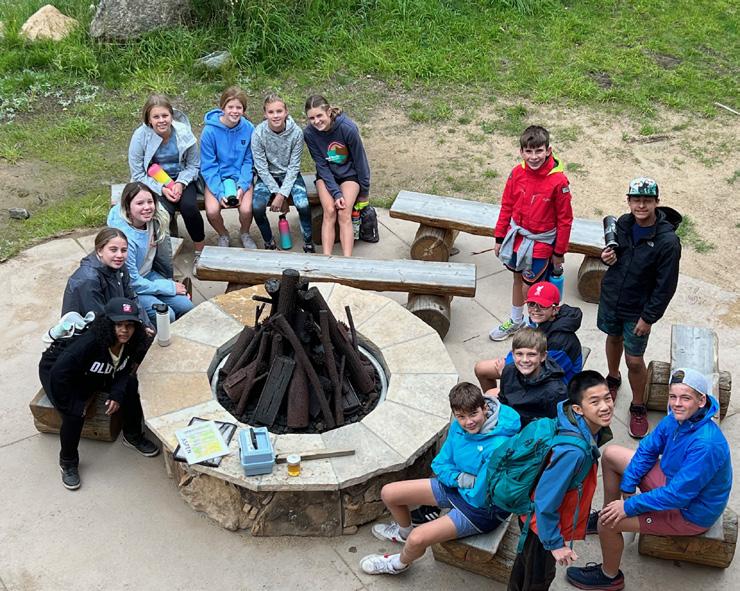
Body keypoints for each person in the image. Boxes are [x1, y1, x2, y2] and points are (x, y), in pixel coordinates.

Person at [566, 368, 731, 591]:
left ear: (701, 401)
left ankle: (609, 576)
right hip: (672, 482)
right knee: (612, 455)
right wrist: (628, 485)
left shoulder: (706, 444)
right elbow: (648, 449)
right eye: (673, 396)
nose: (677, 404)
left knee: (608, 523)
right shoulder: (677, 418)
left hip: (689, 511)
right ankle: (610, 511)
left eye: (685, 398)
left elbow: (677, 496)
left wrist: (629, 505)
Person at [359, 382, 519, 575]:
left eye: (473, 414)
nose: (468, 422)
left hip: (481, 510)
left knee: (418, 538)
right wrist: (461, 479)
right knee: (389, 493)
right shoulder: (457, 427)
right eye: (461, 416)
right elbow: (440, 463)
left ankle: (398, 564)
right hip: (456, 487)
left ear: (484, 408)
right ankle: (404, 534)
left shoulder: (499, 445)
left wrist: (458, 477)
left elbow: (479, 495)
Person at [39, 298, 160, 490]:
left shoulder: (131, 341)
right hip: (61, 374)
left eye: (130, 325)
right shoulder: (89, 344)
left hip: (95, 372)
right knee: (74, 414)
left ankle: (132, 435)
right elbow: (58, 375)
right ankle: (68, 462)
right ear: (108, 324)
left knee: (130, 385)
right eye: (118, 324)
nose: (124, 330)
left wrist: (116, 393)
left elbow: (124, 368)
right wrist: (72, 405)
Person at [508, 371, 614, 591]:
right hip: (540, 527)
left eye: (608, 398)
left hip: (536, 521)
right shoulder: (573, 453)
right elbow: (545, 500)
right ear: (578, 408)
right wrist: (554, 543)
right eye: (594, 402)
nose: (605, 406)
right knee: (537, 580)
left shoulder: (576, 423)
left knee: (525, 569)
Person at [597, 177, 681, 438]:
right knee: (613, 338)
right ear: (629, 201)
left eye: (647, 200)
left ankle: (638, 405)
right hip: (613, 299)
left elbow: (665, 286)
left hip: (638, 311)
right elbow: (615, 257)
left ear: (657, 202)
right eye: (636, 200)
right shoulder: (623, 224)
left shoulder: (668, 242)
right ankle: (612, 378)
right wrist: (607, 257)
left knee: (634, 360)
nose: (641, 205)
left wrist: (648, 318)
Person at [490, 125, 573, 342]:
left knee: (532, 288)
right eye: (528, 151)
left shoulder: (559, 182)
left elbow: (565, 220)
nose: (533, 157)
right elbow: (507, 206)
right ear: (521, 152)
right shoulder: (517, 173)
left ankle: (534, 328)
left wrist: (559, 252)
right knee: (517, 279)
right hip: (517, 239)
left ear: (548, 150)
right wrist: (500, 237)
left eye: (539, 151)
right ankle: (516, 320)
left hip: (540, 245)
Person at [128, 94, 205, 272]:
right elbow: (137, 173)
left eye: (165, 115)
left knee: (189, 208)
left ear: (171, 116)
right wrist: (162, 189)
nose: (161, 120)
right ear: (149, 119)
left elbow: (193, 164)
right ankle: (162, 257)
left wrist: (181, 183)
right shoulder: (140, 136)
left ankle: (200, 251)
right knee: (162, 213)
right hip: (154, 182)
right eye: (156, 117)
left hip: (182, 178)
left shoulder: (184, 132)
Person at [107, 181, 193, 323]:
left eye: (150, 202)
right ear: (128, 207)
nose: (147, 207)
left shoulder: (156, 219)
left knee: (186, 306)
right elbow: (133, 282)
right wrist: (168, 287)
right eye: (139, 203)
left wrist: (168, 281)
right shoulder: (124, 241)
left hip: (149, 275)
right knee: (166, 315)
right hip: (131, 286)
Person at [475, 281, 583, 391]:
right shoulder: (541, 322)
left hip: (556, 386)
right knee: (481, 369)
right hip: (532, 365)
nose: (535, 309)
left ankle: (500, 401)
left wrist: (506, 373)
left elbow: (544, 375)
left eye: (542, 305)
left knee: (492, 393)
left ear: (555, 309)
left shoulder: (560, 341)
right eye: (531, 304)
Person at [303, 94, 370, 256]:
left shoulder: (347, 128)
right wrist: (336, 193)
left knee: (344, 212)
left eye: (319, 115)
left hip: (349, 175)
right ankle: (327, 258)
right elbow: (321, 165)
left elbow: (360, 161)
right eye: (311, 118)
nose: (316, 121)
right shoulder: (309, 133)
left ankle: (346, 260)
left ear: (328, 112)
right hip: (326, 175)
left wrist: (364, 190)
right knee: (329, 211)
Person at [252, 93, 314, 252]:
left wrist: (281, 196)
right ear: (265, 114)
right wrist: (277, 193)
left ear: (286, 112)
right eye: (271, 112)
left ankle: (308, 242)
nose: (275, 115)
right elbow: (261, 168)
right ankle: (269, 241)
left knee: (303, 204)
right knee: (257, 207)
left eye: (279, 111)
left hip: (290, 175)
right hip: (267, 176)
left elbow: (294, 167)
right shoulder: (258, 133)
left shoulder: (297, 133)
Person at [200, 86, 257, 249]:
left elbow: (248, 161)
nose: (234, 111)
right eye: (230, 107)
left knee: (246, 210)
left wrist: (243, 186)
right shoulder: (209, 132)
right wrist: (219, 192)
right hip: (217, 176)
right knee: (212, 211)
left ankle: (244, 233)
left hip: (240, 176)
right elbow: (208, 166)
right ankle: (223, 234)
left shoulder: (249, 129)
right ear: (222, 108)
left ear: (243, 110)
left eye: (239, 107)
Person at [62, 227, 152, 330]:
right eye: (113, 250)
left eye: (124, 250)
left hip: (116, 319)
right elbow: (98, 321)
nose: (120, 255)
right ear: (99, 250)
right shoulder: (88, 279)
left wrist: (143, 324)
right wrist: (137, 330)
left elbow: (131, 298)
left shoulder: (119, 266)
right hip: (90, 331)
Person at [497, 327, 568, 428]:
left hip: (535, 431)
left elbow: (557, 424)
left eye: (531, 354)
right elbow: (503, 400)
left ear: (543, 356)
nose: (525, 360)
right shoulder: (508, 370)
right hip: (510, 422)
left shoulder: (554, 391)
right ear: (513, 355)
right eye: (519, 354)